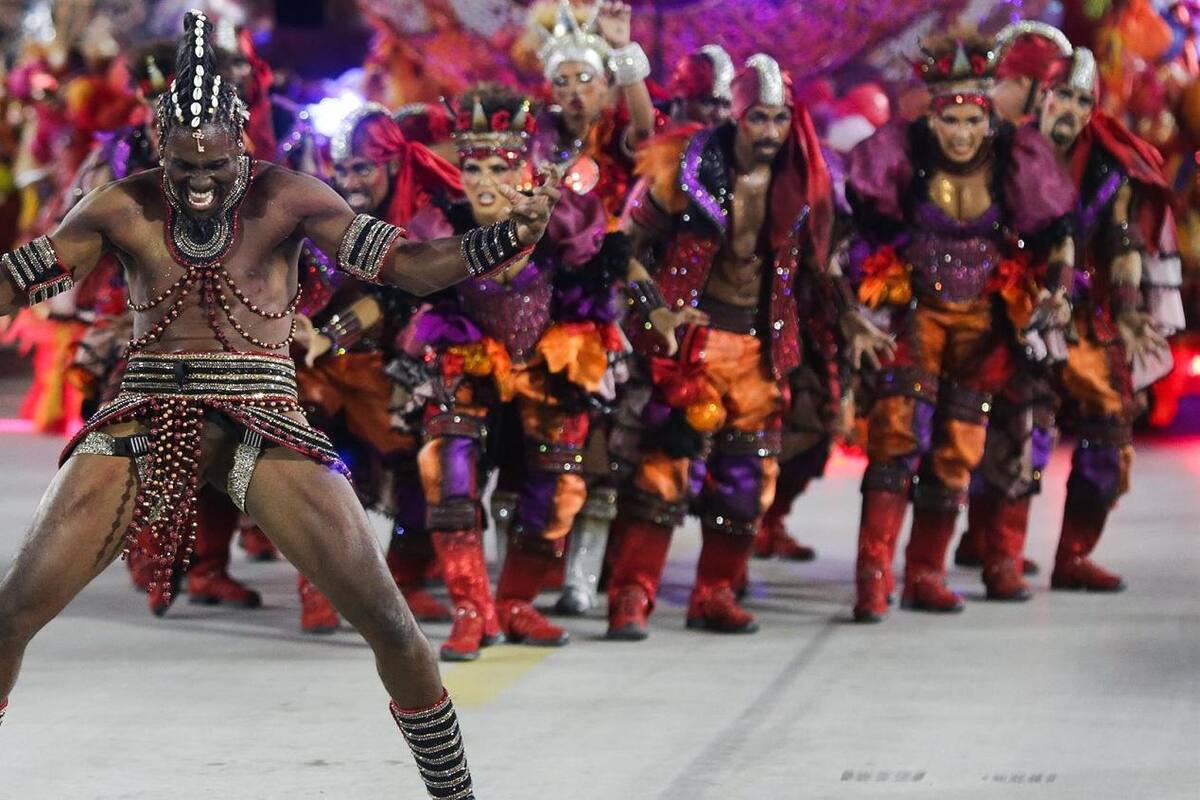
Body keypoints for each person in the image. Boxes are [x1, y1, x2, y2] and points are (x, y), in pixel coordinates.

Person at [0, 13, 560, 797]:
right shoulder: (118, 206)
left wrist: (495, 244)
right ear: (158, 146)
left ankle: (455, 792)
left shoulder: (291, 197)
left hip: (266, 418)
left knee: (388, 621)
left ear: (243, 142)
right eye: (183, 165)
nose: (199, 183)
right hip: (142, 415)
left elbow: (406, 267)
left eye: (217, 165)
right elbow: (21, 281)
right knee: (12, 611)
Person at [604, 54, 862, 639]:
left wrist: (850, 319)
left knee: (748, 482)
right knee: (661, 476)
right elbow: (624, 244)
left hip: (758, 347)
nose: (770, 132)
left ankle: (714, 592)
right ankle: (632, 595)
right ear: (736, 116)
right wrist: (654, 307)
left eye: (779, 119)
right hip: (688, 343)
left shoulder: (807, 177)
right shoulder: (683, 165)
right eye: (758, 120)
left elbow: (822, 269)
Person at [404, 83, 657, 659]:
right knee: (450, 467)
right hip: (465, 355)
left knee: (558, 478)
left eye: (501, 165)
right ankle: (473, 609)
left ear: (526, 167)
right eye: (474, 167)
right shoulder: (439, 225)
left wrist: (657, 307)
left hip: (551, 359)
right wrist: (331, 333)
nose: (485, 181)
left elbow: (617, 259)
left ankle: (517, 602)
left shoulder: (567, 215)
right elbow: (399, 289)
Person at [845, 29, 1076, 622]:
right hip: (916, 317)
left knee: (957, 450)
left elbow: (1056, 239)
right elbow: (857, 237)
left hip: (984, 326)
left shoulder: (1016, 158)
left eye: (973, 120)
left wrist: (1053, 294)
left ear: (986, 117)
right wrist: (857, 311)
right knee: (896, 439)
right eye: (951, 120)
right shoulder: (897, 153)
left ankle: (925, 573)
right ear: (934, 117)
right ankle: (873, 577)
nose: (962, 134)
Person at [970, 46, 1175, 597]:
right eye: (1065, 96)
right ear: (1044, 95)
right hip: (1015, 307)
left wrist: (1131, 311)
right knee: (1017, 433)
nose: (1074, 109)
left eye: (1085, 101)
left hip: (1083, 312)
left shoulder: (1109, 162)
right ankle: (1000, 558)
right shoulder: (1006, 149)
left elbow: (1123, 240)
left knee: (1110, 426)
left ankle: (1074, 555)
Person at [291, 102, 463, 633]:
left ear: (392, 164)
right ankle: (318, 586)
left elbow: (397, 299)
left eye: (362, 168)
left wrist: (333, 334)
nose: (349, 180)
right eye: (341, 169)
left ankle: (407, 578)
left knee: (418, 459)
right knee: (314, 468)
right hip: (317, 366)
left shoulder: (428, 215)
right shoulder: (317, 209)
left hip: (398, 364)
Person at [663, 45, 735, 127]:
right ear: (680, 100)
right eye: (708, 102)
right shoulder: (649, 124)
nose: (719, 114)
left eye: (726, 105)